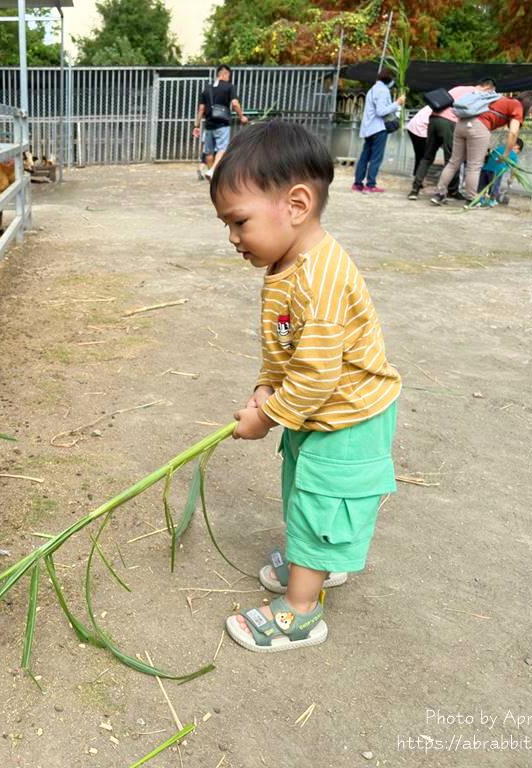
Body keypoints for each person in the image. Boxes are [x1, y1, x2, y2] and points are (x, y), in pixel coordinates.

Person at [208, 121, 401, 652]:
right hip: (320, 411)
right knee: (303, 488)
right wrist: (266, 387)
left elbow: (316, 374)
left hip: (348, 417)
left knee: (320, 500)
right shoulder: (286, 265)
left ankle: (300, 611)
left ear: (296, 204)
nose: (232, 237)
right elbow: (284, 349)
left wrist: (265, 417)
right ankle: (314, 566)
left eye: (238, 221)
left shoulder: (321, 277)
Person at [429, 90, 532, 208]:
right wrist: (506, 153)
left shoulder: (502, 99)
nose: (531, 110)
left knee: (453, 162)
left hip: (461, 124)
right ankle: (471, 199)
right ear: (530, 104)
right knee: (474, 165)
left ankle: (439, 194)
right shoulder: (517, 106)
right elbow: (513, 132)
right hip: (479, 126)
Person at [407, 79, 496, 200]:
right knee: (452, 160)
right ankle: (451, 191)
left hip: (433, 119)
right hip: (449, 123)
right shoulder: (476, 94)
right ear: (487, 87)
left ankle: (414, 190)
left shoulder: (459, 88)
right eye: (491, 91)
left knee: (427, 157)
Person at [192, 64, 247, 180]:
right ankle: (212, 172)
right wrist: (241, 116)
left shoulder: (206, 89)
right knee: (222, 149)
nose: (229, 78)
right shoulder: (229, 87)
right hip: (222, 124)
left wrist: (196, 125)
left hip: (209, 125)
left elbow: (201, 109)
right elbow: (235, 104)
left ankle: (212, 177)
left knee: (209, 152)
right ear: (224, 74)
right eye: (228, 76)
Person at [353, 70, 405, 193]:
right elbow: (381, 111)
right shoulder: (383, 91)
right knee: (376, 157)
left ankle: (358, 183)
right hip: (378, 128)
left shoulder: (372, 89)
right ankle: (371, 185)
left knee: (365, 157)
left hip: (368, 128)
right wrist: (397, 103)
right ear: (389, 80)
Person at [477, 138, 522, 206]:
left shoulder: (499, 148)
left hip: (485, 169)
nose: (517, 153)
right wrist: (510, 180)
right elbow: (514, 170)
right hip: (496, 173)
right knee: (494, 188)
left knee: (482, 186)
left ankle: (480, 200)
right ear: (517, 147)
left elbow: (488, 157)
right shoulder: (514, 155)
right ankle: (491, 201)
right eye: (518, 151)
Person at [406, 104, 431, 176]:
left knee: (420, 155)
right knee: (424, 156)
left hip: (413, 127)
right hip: (419, 129)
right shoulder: (443, 106)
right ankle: (419, 178)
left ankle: (417, 175)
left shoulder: (436, 103)